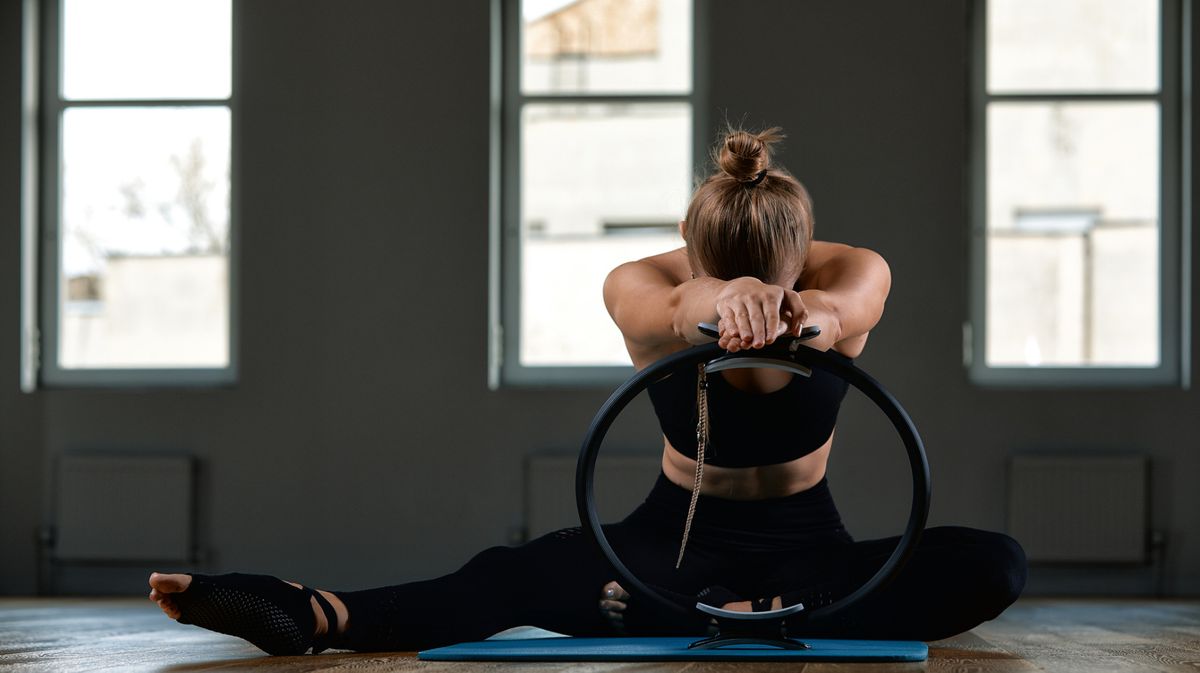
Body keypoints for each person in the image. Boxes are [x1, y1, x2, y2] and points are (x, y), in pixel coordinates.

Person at [149, 126, 1026, 655]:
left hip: (812, 550)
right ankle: (313, 610)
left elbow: (850, 301)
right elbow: (677, 304)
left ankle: (760, 612)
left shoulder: (848, 270)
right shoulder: (644, 283)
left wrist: (812, 320)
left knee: (994, 563)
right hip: (668, 544)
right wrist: (724, 303)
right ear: (692, 247)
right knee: (504, 576)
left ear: (803, 253)